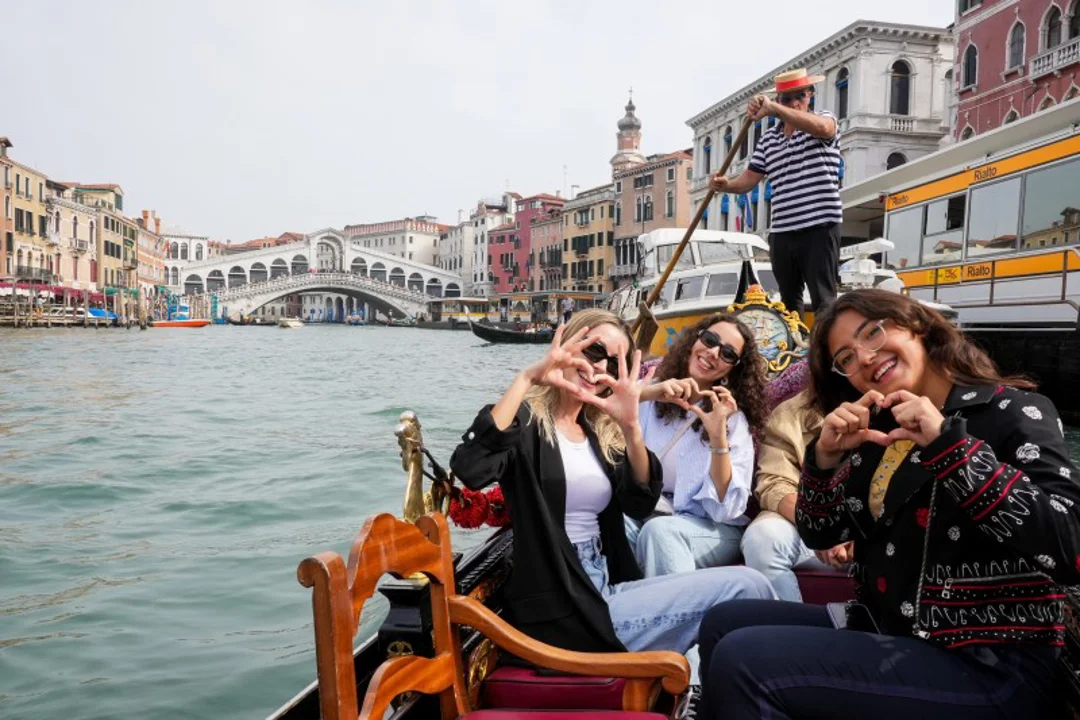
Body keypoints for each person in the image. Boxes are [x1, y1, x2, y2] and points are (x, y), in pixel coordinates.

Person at [696, 288, 1079, 719]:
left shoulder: (1011, 410)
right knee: (723, 622)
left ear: (918, 326)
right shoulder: (882, 431)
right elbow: (821, 532)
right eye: (845, 358)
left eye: (872, 333)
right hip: (891, 629)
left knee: (743, 660)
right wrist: (823, 461)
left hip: (987, 660)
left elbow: (1068, 545)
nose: (863, 357)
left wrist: (949, 446)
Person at [450, 308, 774, 660]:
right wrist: (528, 377)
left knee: (751, 586)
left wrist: (632, 427)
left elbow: (638, 501)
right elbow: (471, 467)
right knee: (745, 587)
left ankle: (715, 685)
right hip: (565, 608)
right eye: (593, 351)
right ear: (568, 344)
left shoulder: (595, 431)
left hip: (605, 585)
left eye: (614, 363)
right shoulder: (528, 423)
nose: (600, 366)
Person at [630, 313, 768, 576]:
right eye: (710, 339)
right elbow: (602, 404)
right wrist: (652, 392)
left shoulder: (733, 419)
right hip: (648, 513)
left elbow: (725, 509)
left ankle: (679, 614)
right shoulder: (650, 393)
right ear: (695, 340)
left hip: (710, 528)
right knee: (611, 523)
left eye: (727, 353)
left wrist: (718, 436)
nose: (713, 352)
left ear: (732, 369)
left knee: (661, 532)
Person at [709, 68, 841, 316]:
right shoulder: (769, 139)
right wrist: (725, 185)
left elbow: (824, 129)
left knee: (824, 298)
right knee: (789, 302)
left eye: (799, 96)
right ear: (779, 100)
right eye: (786, 99)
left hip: (820, 226)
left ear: (810, 94)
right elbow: (749, 180)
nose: (795, 103)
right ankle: (795, 353)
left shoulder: (824, 119)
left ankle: (824, 353)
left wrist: (774, 110)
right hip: (782, 232)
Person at [740, 389, 849, 601]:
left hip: (886, 530)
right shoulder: (791, 413)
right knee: (763, 539)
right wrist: (822, 527)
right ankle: (787, 630)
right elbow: (775, 482)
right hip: (813, 525)